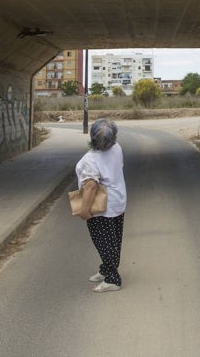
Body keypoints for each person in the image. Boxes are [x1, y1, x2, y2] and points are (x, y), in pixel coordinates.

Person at [75, 118, 127, 292]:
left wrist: (84, 210)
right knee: (114, 239)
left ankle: (113, 279)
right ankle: (105, 270)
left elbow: (90, 186)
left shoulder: (90, 159)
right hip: (118, 200)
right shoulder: (117, 148)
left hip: (102, 206)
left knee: (103, 242)